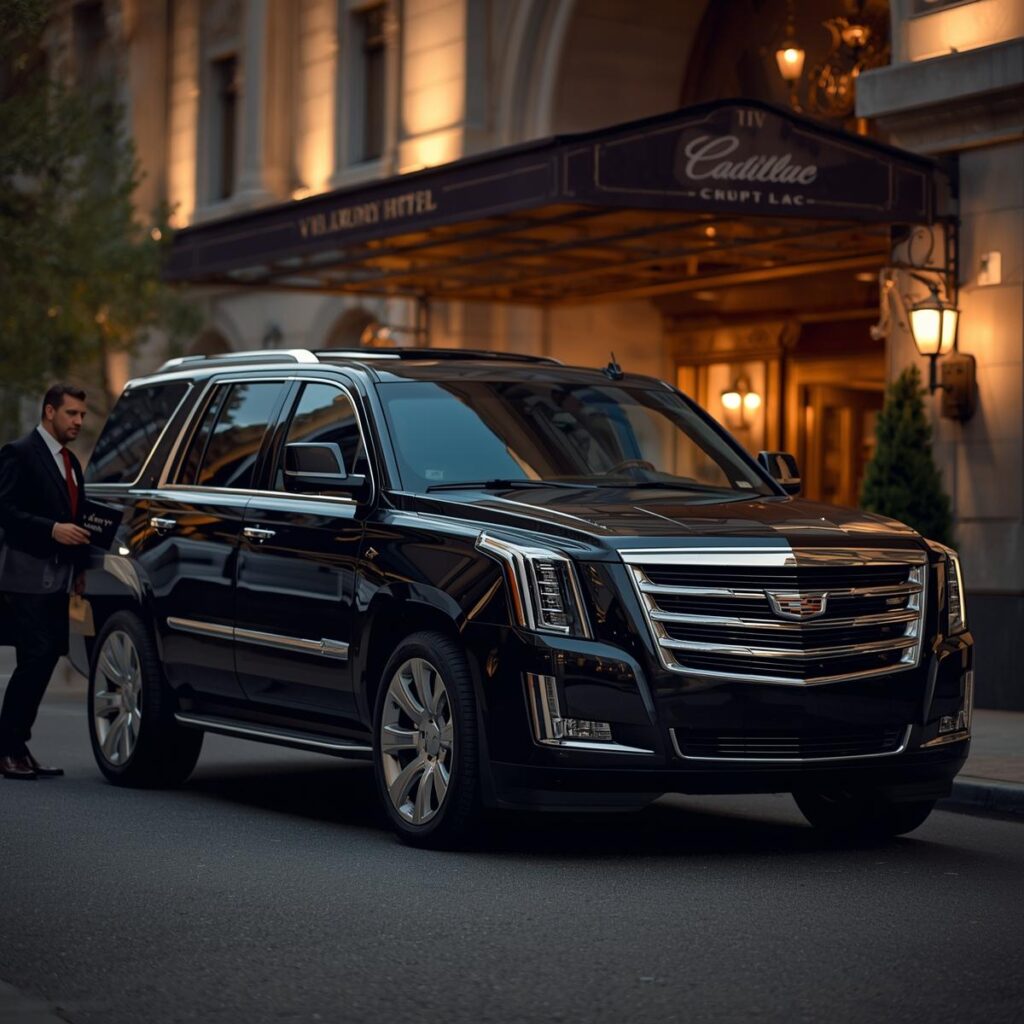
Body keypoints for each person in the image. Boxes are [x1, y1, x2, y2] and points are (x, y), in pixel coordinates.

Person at [0, 384, 90, 780]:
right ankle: (7, 748)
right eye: (71, 414)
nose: (78, 421)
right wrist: (52, 529)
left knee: (47, 655)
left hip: (57, 577)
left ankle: (17, 746)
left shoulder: (70, 461)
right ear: (49, 412)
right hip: (24, 574)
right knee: (35, 656)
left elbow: (79, 516)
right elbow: (4, 510)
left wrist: (80, 571)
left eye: (82, 415)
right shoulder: (18, 453)